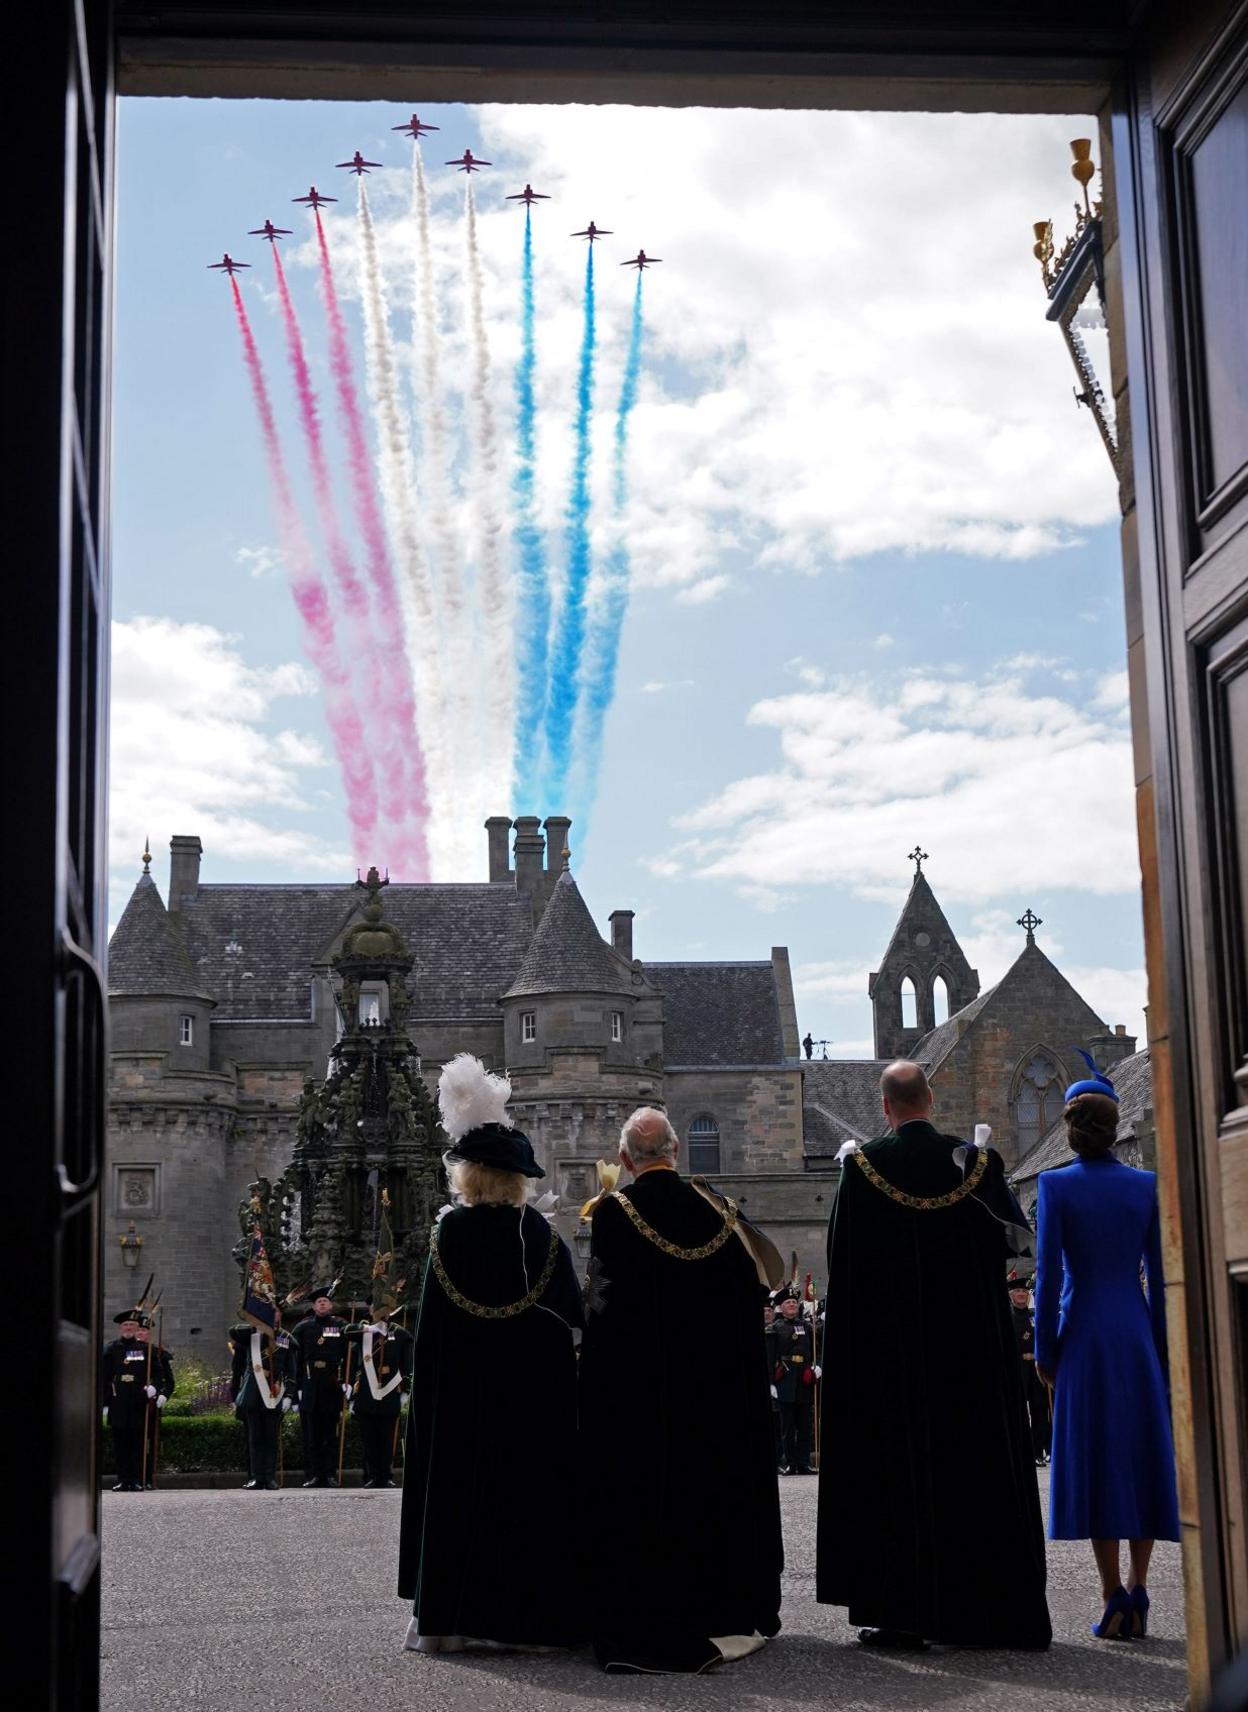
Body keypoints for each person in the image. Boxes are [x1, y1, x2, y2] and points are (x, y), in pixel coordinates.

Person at [817, 1060, 1051, 1651]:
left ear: (885, 1105)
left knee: (895, 1469)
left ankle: (901, 1613)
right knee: (974, 1468)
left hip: (890, 1356)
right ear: (931, 1098)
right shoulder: (977, 1165)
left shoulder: (861, 1168)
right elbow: (1013, 1247)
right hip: (968, 1352)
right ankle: (988, 1611)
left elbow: (844, 1268)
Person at [579, 1106, 784, 1674]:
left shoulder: (615, 1213)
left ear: (625, 1159)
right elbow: (749, 1305)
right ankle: (724, 1603)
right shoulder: (719, 1209)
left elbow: (601, 1307)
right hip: (716, 1399)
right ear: (675, 1151)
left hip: (642, 1400)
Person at [398, 1054, 584, 1652]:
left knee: (459, 1498)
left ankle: (450, 1621)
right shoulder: (543, 1237)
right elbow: (569, 1322)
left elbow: (430, 1331)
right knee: (528, 1502)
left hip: (461, 1398)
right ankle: (533, 1622)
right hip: (531, 1401)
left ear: (469, 1176)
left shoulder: (447, 1233)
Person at [1034, 1055, 1180, 1641]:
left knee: (1097, 1457)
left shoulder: (1054, 1184)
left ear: (1070, 1130)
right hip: (1136, 1330)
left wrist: (1046, 1352)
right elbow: (1163, 1276)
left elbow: (1046, 1281)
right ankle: (1141, 1588)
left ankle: (1111, 1592)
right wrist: (1164, 1352)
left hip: (1086, 1333)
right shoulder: (1146, 1186)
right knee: (1139, 1454)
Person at [348, 1301, 413, 1488]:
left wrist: (406, 1390)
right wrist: (369, 1329)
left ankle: (386, 1475)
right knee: (369, 1439)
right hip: (367, 1394)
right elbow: (346, 1332)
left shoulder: (400, 1333)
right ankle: (372, 1475)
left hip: (390, 1392)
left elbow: (407, 1364)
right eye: (374, 1307)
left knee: (387, 1438)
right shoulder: (363, 1331)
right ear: (370, 1310)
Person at [289, 1284, 348, 1488]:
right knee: (312, 1435)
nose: (322, 1304)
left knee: (330, 1434)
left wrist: (347, 1382)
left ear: (330, 1305)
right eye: (318, 1302)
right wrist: (296, 1390)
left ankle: (330, 1475)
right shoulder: (303, 1327)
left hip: (331, 1383)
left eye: (325, 1301)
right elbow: (293, 1357)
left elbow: (350, 1353)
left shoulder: (341, 1326)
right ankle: (313, 1475)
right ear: (314, 1307)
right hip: (310, 1383)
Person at [102, 1309, 166, 1492]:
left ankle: (137, 1480)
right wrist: (104, 1403)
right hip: (118, 1400)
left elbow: (158, 1372)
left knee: (137, 1443)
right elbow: (103, 1378)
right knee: (120, 1444)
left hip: (138, 1401)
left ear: (137, 1327)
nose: (129, 1327)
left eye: (132, 1325)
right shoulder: (111, 1349)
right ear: (120, 1328)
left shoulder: (145, 1349)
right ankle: (123, 1480)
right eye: (125, 1325)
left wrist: (154, 1387)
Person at [230, 1310, 295, 1490]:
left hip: (274, 1392)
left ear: (279, 1316)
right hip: (253, 1392)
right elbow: (233, 1331)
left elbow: (291, 1370)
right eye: (269, 1312)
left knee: (271, 1438)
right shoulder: (251, 1335)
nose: (272, 1315)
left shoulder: (285, 1337)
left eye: (275, 1313)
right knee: (255, 1438)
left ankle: (269, 1477)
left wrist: (289, 1395)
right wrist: (256, 1325)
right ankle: (256, 1477)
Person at [771, 1290, 818, 1474]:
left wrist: (816, 1366)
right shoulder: (775, 1327)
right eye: (788, 1302)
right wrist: (771, 1383)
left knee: (804, 1424)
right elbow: (770, 1357)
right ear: (781, 1307)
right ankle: (790, 1462)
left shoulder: (807, 1326)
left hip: (803, 1377)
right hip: (785, 1377)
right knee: (787, 1426)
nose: (792, 1304)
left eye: (794, 1302)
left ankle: (803, 1462)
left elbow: (816, 1349)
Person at [1008, 1274, 1050, 1466]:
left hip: (1035, 1369)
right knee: (1019, 1411)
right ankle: (1020, 1451)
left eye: (1024, 1291)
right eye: (1017, 1291)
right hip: (1018, 1368)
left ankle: (1038, 1451)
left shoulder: (1034, 1316)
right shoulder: (1009, 1317)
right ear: (1010, 1295)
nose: (1022, 1294)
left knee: (1040, 1410)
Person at [135, 1319, 175, 1488]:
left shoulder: (158, 1353)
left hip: (150, 1403)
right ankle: (133, 1476)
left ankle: (148, 1478)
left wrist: (163, 1395)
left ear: (148, 1333)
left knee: (149, 1442)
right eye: (138, 1330)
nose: (140, 1333)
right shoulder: (127, 1351)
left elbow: (169, 1381)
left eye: (143, 1330)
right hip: (132, 1400)